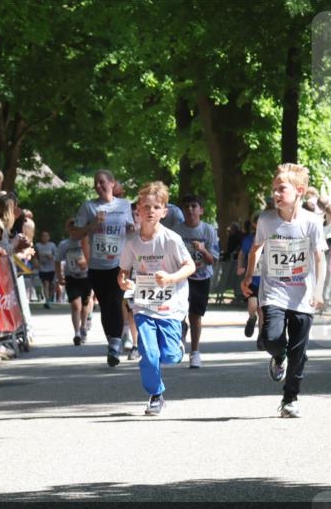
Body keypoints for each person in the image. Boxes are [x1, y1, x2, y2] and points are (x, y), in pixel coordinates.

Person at [241, 163, 328, 418]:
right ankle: (278, 356)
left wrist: (319, 290)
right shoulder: (266, 220)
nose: (275, 194)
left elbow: (319, 258)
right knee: (272, 338)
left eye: (281, 189)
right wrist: (248, 276)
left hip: (302, 294)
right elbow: (255, 249)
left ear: (299, 191)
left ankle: (290, 399)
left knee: (299, 352)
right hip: (274, 291)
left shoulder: (312, 222)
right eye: (274, 189)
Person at [118, 182, 195, 415]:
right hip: (144, 305)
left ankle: (179, 341)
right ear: (137, 210)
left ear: (164, 212)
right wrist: (123, 281)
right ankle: (156, 394)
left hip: (171, 305)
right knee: (149, 353)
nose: (151, 211)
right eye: (146, 206)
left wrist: (171, 278)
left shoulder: (171, 239)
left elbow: (190, 266)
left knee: (170, 356)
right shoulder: (131, 242)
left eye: (157, 206)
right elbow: (122, 271)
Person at [73, 168, 135, 367]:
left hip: (120, 264)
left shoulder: (124, 205)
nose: (98, 186)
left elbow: (130, 229)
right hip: (98, 266)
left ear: (112, 183)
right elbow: (75, 234)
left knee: (116, 302)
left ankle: (115, 346)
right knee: (106, 306)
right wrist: (92, 225)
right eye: (95, 183)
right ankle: (113, 342)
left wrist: (133, 230)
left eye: (102, 182)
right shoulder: (88, 207)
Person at [174, 194, 220, 368]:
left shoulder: (208, 230)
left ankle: (195, 352)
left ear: (201, 210)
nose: (190, 210)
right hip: (182, 276)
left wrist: (202, 249)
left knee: (195, 315)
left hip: (201, 277)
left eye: (194, 206)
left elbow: (212, 260)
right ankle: (180, 333)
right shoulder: (176, 231)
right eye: (186, 207)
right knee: (178, 312)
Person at [55, 220, 91, 344]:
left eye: (76, 229)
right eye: (72, 229)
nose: (74, 232)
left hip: (86, 277)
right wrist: (59, 276)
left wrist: (86, 262)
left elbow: (94, 258)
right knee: (76, 305)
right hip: (71, 277)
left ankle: (84, 326)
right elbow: (57, 260)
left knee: (85, 305)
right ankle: (76, 334)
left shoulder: (87, 242)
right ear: (68, 230)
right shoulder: (64, 244)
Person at [237, 217, 263, 346]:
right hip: (252, 278)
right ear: (254, 224)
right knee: (253, 306)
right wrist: (240, 267)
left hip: (267, 280)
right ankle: (252, 318)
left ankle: (261, 338)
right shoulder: (249, 240)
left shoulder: (272, 237)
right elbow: (242, 253)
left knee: (262, 309)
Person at [34, 230, 57, 309]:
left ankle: (49, 299)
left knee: (53, 285)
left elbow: (57, 256)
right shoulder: (37, 245)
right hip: (42, 268)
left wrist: (51, 257)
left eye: (46, 236)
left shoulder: (52, 245)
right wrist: (36, 261)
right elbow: (34, 255)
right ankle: (47, 300)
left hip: (52, 268)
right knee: (46, 284)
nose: (44, 237)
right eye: (43, 236)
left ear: (49, 237)